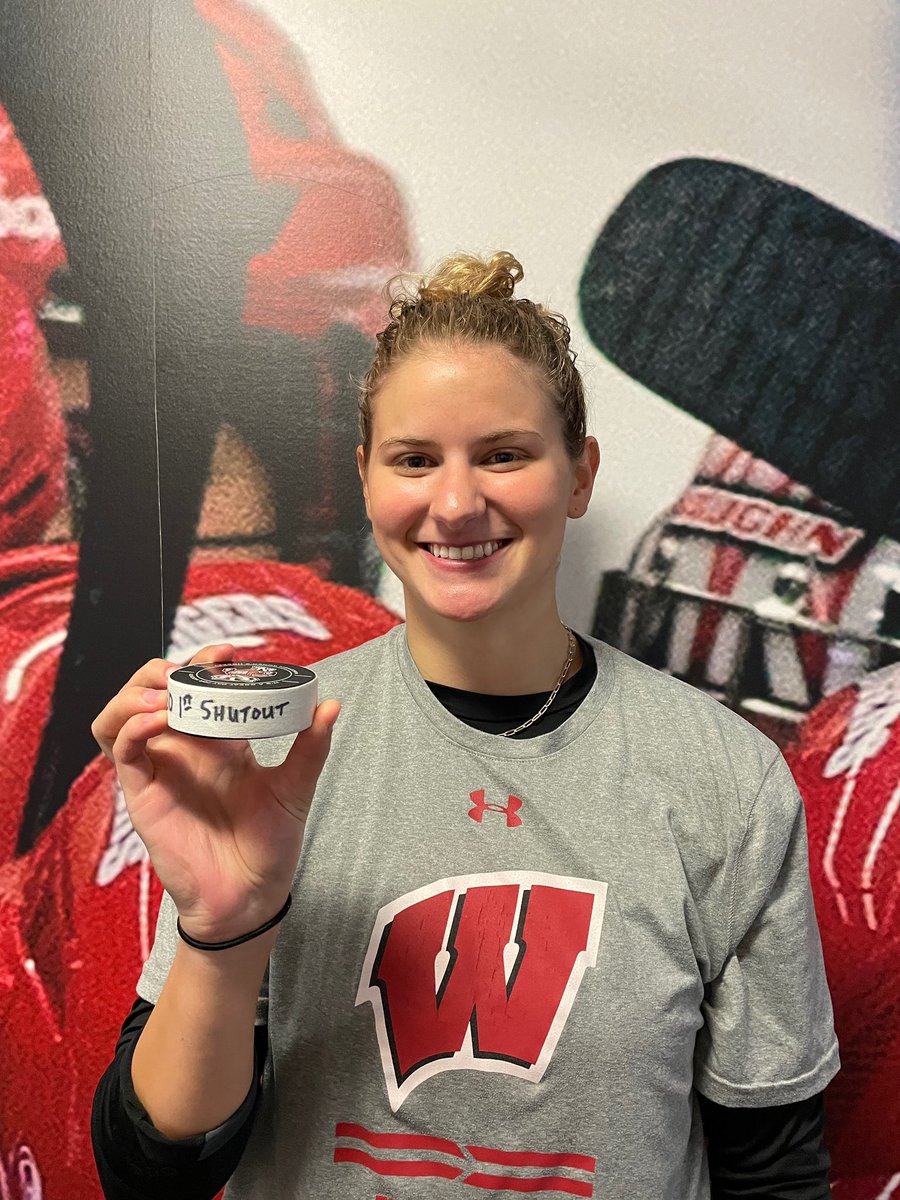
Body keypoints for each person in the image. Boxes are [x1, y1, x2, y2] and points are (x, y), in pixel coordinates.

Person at [90, 252, 840, 1199]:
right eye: (415, 459)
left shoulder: (724, 777)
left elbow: (773, 1171)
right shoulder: (272, 750)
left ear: (579, 473)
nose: (455, 503)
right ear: (366, 480)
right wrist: (221, 932)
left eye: (504, 454)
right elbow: (148, 1173)